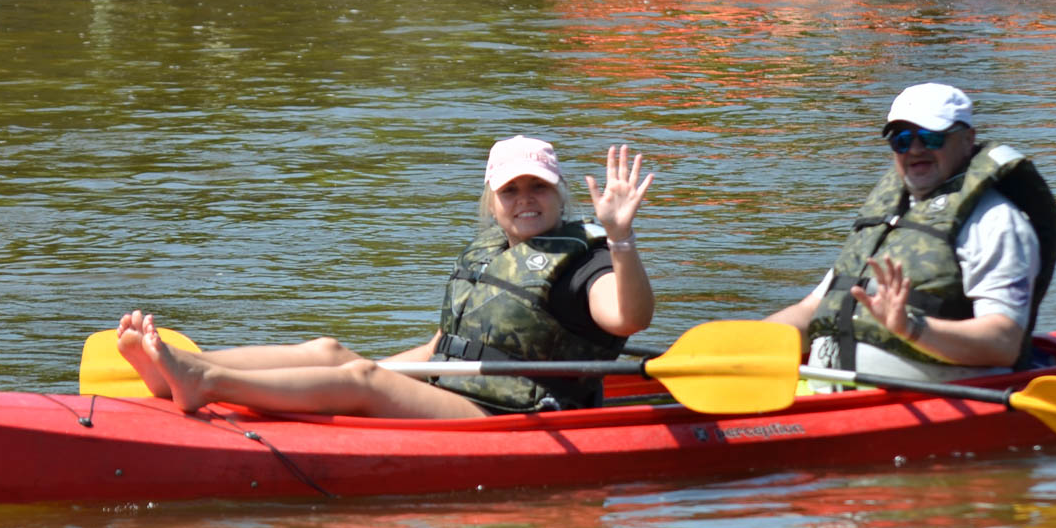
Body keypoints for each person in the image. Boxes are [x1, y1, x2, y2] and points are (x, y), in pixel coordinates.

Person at [117, 139, 655, 418]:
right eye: (510, 191)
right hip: (462, 392)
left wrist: (622, 237)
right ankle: (184, 367)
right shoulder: (493, 251)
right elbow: (442, 349)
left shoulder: (586, 260)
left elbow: (627, 317)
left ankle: (204, 383)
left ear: (559, 195)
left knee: (360, 384)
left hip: (516, 412)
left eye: (536, 188)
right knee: (333, 353)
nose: (524, 200)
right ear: (492, 203)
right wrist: (358, 365)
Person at [766, 84, 1056, 385]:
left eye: (931, 137)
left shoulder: (996, 222)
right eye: (902, 140)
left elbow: (1003, 343)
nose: (916, 149)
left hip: (939, 402)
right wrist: (745, 339)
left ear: (968, 139)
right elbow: (812, 311)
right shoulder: (887, 216)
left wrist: (912, 328)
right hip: (831, 393)